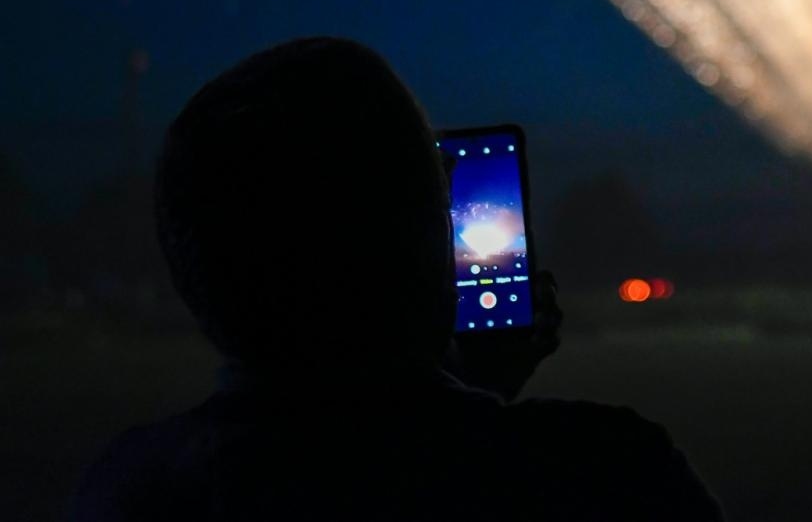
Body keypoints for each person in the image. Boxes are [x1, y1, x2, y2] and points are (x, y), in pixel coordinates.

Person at [73, 37, 722, 521]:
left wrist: (467, 392)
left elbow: (345, 450)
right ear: (422, 235)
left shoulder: (127, 493)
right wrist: (469, 408)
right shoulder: (608, 475)